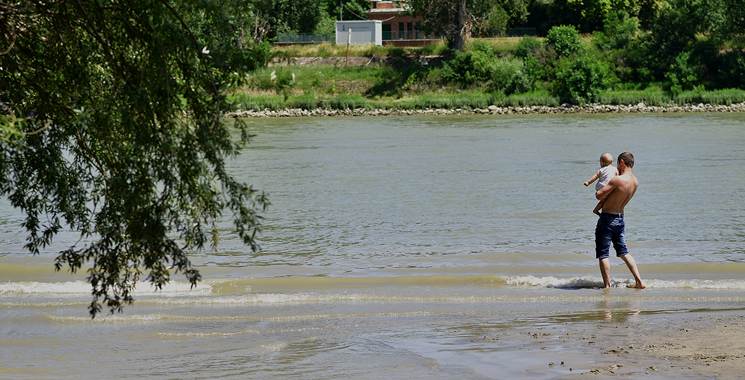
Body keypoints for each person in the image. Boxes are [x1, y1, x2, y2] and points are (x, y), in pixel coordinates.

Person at [594, 152, 644, 289]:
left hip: (607, 218)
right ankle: (639, 281)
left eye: (617, 164)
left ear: (621, 162)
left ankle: (607, 286)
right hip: (620, 219)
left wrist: (600, 185)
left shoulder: (618, 180)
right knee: (623, 252)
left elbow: (599, 196)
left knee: (603, 254)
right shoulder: (635, 181)